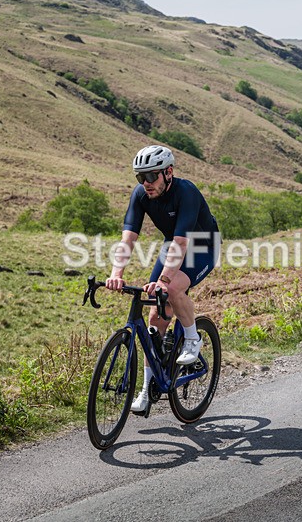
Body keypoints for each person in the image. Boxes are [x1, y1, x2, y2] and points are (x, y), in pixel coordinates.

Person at [106, 145, 220, 412]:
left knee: (173, 289)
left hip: (202, 246)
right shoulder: (140, 195)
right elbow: (128, 239)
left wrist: (165, 281)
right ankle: (147, 388)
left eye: (151, 176)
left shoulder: (186, 192)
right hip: (173, 246)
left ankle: (193, 338)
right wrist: (116, 274)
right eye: (140, 177)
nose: (146, 183)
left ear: (168, 172)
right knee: (154, 320)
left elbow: (182, 242)